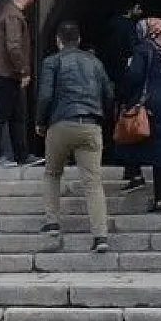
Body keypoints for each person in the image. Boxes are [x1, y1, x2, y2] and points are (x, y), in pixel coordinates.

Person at [36, 20, 114, 252]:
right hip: (90, 124)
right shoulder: (95, 62)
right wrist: (104, 121)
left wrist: (41, 121)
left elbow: (45, 96)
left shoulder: (52, 61)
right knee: (93, 182)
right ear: (78, 40)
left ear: (58, 41)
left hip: (60, 123)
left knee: (52, 173)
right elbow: (109, 94)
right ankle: (100, 236)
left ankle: (52, 222)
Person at [111, 17, 161, 214]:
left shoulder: (143, 51)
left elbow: (134, 77)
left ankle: (134, 176)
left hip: (148, 104)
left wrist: (124, 88)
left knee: (131, 136)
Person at [0, 0, 40, 167]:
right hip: (6, 75)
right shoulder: (14, 16)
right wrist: (23, 71)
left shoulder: (12, 14)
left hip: (9, 75)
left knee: (17, 117)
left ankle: (22, 155)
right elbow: (14, 46)